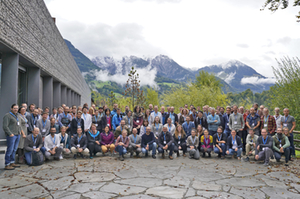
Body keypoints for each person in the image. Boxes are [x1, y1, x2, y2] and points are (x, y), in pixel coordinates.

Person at [3, 104, 22, 170]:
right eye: (14, 108)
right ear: (11, 108)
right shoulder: (7, 116)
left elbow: (19, 125)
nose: (16, 109)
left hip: (17, 135)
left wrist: (19, 131)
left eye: (17, 108)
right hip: (11, 136)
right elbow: (5, 126)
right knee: (10, 150)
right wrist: (10, 134)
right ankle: (7, 164)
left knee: (14, 149)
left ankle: (12, 162)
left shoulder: (17, 115)